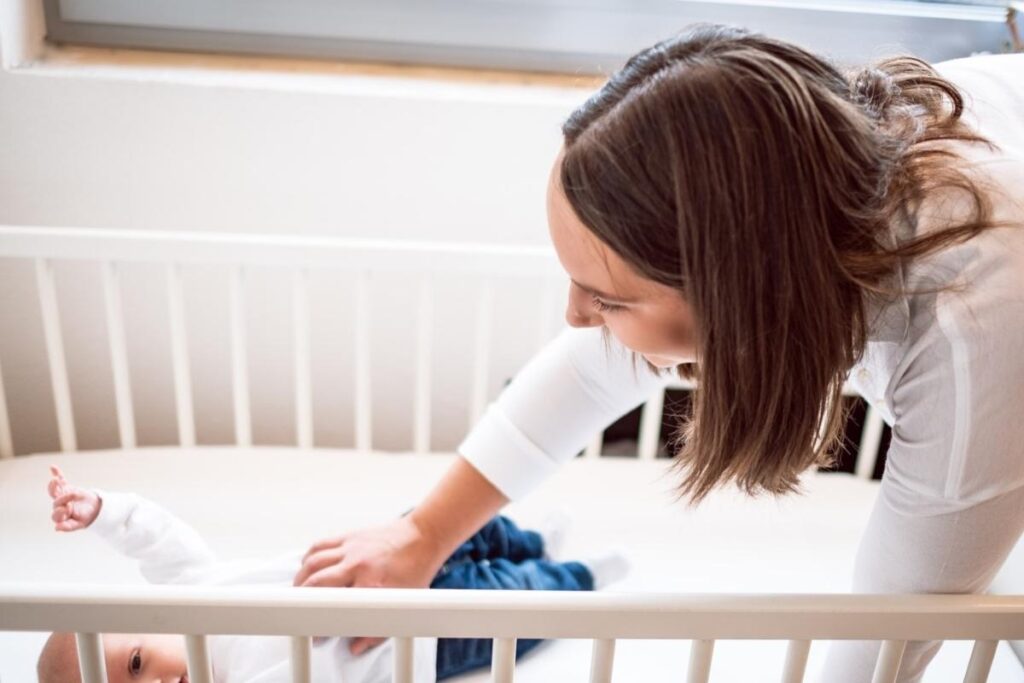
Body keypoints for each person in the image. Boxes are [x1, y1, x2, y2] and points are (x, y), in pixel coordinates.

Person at [293, 23, 1024, 682]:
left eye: (607, 299)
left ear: (737, 294)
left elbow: (895, 623)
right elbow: (588, 370)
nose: (576, 316)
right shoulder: (807, 190)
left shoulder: (973, 326)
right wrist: (421, 534)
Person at [39, 466, 627, 683]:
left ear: (146, 614)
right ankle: (577, 578)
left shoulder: (189, 594)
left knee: (466, 531)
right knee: (512, 604)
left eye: (136, 664)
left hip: (375, 566)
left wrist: (105, 512)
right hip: (417, 644)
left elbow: (162, 538)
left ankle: (532, 541)